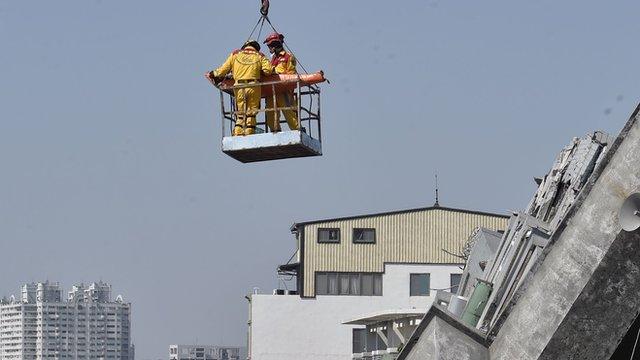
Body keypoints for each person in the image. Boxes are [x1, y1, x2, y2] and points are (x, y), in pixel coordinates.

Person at [207, 40, 272, 136]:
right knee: (251, 113)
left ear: (245, 46)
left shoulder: (235, 54)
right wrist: (258, 70)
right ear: (256, 47)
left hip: (239, 87)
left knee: (240, 113)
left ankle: (237, 133)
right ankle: (249, 132)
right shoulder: (260, 55)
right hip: (253, 86)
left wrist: (213, 73)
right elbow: (268, 71)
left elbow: (223, 70)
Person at [263, 32, 299, 132]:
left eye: (269, 46)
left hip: (283, 91)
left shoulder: (288, 57)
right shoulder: (273, 59)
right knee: (270, 116)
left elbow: (292, 75)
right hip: (271, 91)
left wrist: (277, 73)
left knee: (289, 114)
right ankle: (275, 132)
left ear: (275, 45)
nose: (269, 48)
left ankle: (298, 130)